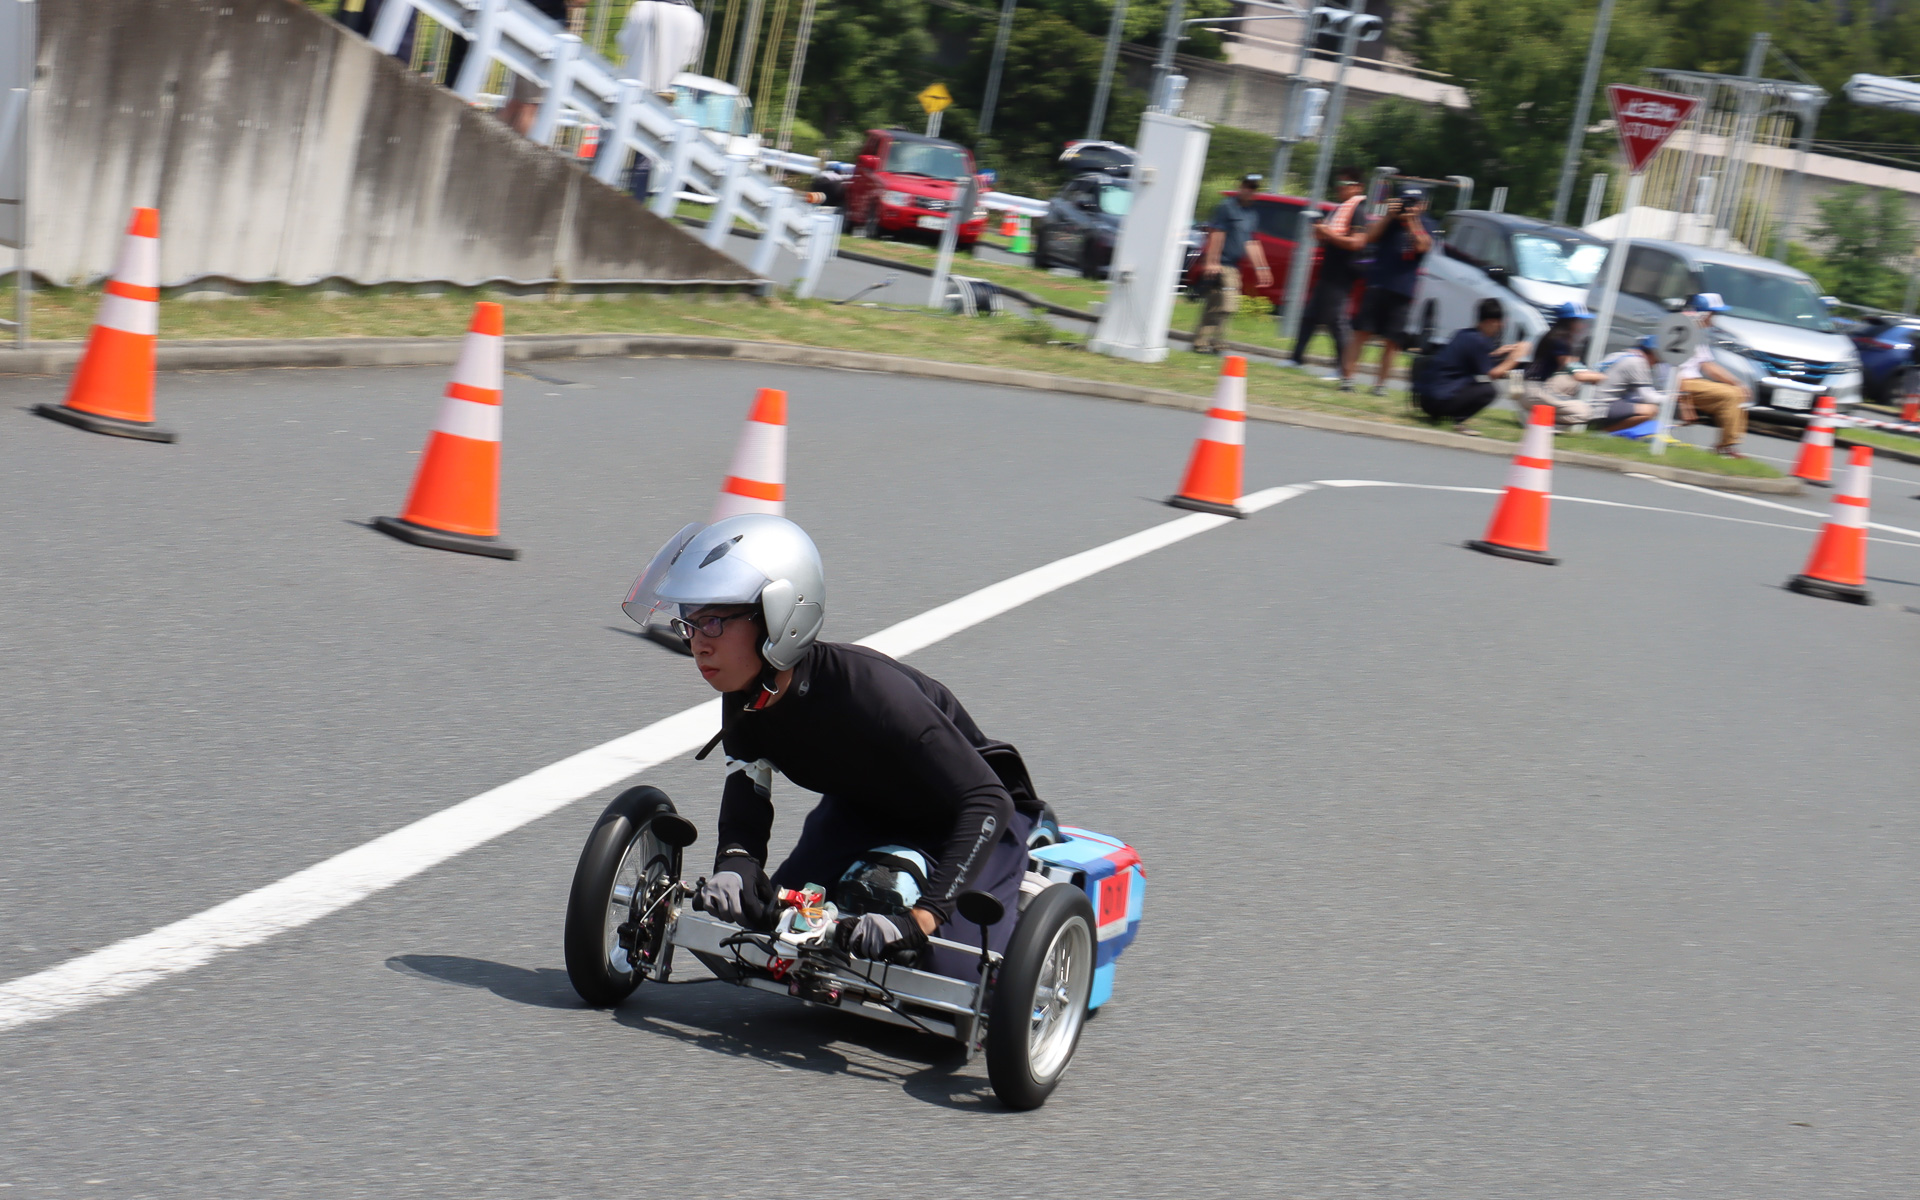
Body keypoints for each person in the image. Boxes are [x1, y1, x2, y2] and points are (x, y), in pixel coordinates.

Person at [622, 514, 1044, 980]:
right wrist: (735, 867)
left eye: (715, 623)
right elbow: (748, 792)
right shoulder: (746, 696)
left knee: (943, 975)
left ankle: (1019, 895)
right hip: (865, 811)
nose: (698, 646)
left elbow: (986, 800)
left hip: (971, 819)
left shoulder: (871, 693)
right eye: (691, 625)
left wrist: (919, 919)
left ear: (780, 616)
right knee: (763, 940)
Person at [1342, 183, 1437, 396]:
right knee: (1361, 333)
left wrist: (1412, 220)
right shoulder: (1390, 222)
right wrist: (1388, 216)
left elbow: (1423, 246)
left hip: (1402, 289)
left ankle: (1380, 385)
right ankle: (1348, 379)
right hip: (1378, 282)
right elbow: (1370, 237)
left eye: (1413, 203)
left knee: (1392, 341)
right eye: (1405, 201)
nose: (1408, 206)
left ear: (1423, 204)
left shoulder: (1427, 223)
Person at [1289, 169, 1366, 381]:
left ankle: (1343, 369)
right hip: (1329, 273)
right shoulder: (1340, 209)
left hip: (1341, 276)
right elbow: (1331, 238)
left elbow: (1356, 242)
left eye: (1347, 183)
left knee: (1336, 321)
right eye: (1339, 183)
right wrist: (1321, 232)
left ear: (1358, 187)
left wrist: (1328, 233)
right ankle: (1295, 358)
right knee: (1310, 316)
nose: (1340, 187)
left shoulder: (1358, 210)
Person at [1417, 297, 1528, 434]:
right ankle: (1459, 420)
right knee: (1488, 391)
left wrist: (1498, 353)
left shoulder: (1464, 334)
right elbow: (1493, 374)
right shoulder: (1479, 341)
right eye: (1499, 324)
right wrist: (1516, 357)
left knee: (1477, 384)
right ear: (1490, 322)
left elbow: (1480, 361)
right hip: (1438, 402)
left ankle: (1443, 415)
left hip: (1425, 400)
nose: (1500, 327)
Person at [1193, 174, 1273, 354]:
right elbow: (1217, 234)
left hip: (1234, 266)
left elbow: (1251, 242)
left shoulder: (1251, 214)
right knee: (1228, 305)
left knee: (1215, 304)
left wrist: (1261, 267)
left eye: (1253, 188)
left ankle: (1202, 342)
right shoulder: (1227, 207)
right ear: (1240, 187)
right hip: (1222, 263)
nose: (1249, 191)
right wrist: (1212, 262)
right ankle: (1216, 342)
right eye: (1247, 186)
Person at [1674, 292, 1751, 458]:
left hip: (1693, 382)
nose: (1714, 319)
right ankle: (1725, 447)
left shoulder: (1697, 333)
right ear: (1704, 314)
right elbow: (1672, 370)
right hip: (1681, 383)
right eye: (1713, 314)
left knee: (1738, 392)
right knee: (1730, 395)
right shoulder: (1680, 331)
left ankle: (1727, 445)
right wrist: (1684, 401)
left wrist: (1737, 383)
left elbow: (1708, 365)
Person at [1522, 301, 1605, 426]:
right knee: (1585, 412)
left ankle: (1536, 418)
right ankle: (1537, 420)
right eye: (1580, 321)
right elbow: (1579, 375)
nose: (1583, 325)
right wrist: (1602, 377)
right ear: (1569, 322)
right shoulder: (1560, 340)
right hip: (1534, 391)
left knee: (1570, 382)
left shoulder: (1553, 336)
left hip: (1531, 388)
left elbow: (1573, 369)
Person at [1590, 336, 1667, 432]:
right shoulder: (1638, 362)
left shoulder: (1619, 355)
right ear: (1652, 353)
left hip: (1591, 402)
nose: (1655, 364)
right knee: (1651, 410)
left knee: (1638, 404)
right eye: (1657, 361)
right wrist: (1672, 399)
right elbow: (1648, 396)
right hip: (1601, 407)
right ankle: (1602, 432)